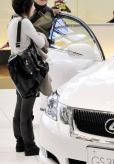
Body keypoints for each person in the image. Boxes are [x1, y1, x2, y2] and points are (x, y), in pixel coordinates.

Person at [8, 0, 46, 156]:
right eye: (32, 5)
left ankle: (20, 143)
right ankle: (30, 146)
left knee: (19, 106)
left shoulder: (13, 21)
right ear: (26, 7)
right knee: (26, 110)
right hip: (27, 69)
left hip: (16, 67)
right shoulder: (25, 23)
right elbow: (40, 42)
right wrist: (41, 35)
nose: (34, 8)